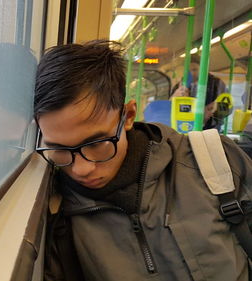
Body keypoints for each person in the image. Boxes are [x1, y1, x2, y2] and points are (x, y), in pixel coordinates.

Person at [34, 40, 251, 281]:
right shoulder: (56, 216)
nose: (82, 169)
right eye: (60, 150)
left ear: (127, 116)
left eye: (96, 144)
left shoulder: (212, 158)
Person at [171, 56, 227, 130]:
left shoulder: (216, 83)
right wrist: (174, 98)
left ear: (203, 69)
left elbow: (225, 106)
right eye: (188, 70)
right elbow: (169, 106)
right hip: (183, 126)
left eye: (194, 70)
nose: (191, 73)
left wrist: (213, 109)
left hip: (210, 128)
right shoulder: (180, 86)